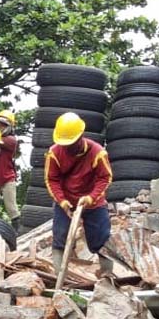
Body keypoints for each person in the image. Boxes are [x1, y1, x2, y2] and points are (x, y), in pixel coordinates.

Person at [45, 112, 115, 278]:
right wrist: (62, 201)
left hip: (93, 202)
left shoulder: (97, 152)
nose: (67, 147)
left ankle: (107, 276)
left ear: (81, 136)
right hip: (66, 201)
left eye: (71, 143)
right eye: (64, 143)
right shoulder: (54, 153)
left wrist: (91, 197)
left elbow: (105, 178)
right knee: (60, 237)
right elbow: (51, 179)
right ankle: (60, 278)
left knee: (101, 239)